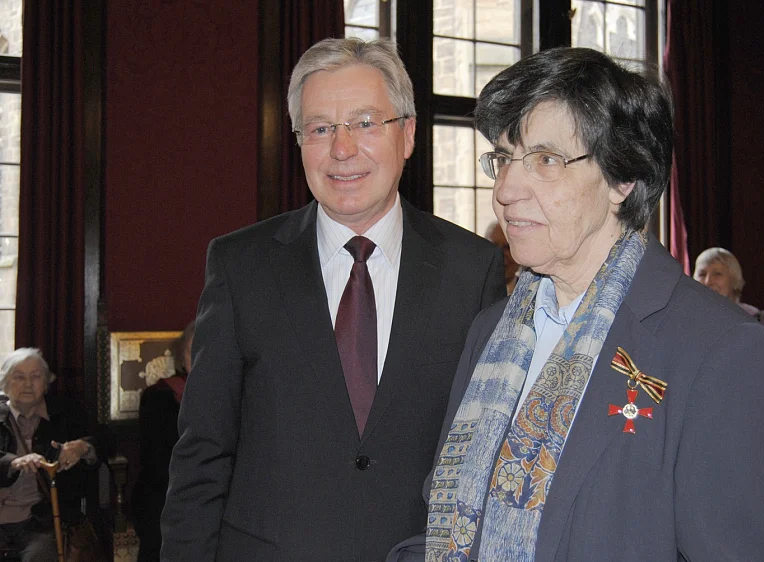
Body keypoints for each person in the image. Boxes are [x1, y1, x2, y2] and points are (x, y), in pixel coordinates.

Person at [388, 47, 764, 561]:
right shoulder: (492, 331)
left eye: (545, 160)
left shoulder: (718, 347)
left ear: (621, 179)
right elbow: (445, 520)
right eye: (503, 158)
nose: (506, 189)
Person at [159, 38, 505, 561]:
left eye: (365, 123)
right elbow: (201, 457)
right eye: (320, 129)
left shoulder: (471, 268)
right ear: (299, 142)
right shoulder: (241, 266)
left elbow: (485, 454)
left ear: (407, 134)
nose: (342, 149)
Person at [0, 348, 102, 562]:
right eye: (19, 377)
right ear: (4, 384)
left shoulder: (66, 413)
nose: (28, 384)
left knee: (41, 556)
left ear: (46, 383)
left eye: (36, 377)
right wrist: (14, 462)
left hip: (43, 522)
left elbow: (104, 438)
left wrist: (83, 446)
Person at [132, 321, 195, 562]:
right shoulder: (159, 396)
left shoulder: (235, 392)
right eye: (193, 350)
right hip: (167, 488)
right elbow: (155, 459)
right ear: (182, 356)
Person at [693, 246, 764, 329]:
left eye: (717, 274)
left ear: (734, 280)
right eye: (702, 274)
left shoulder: (757, 320)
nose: (708, 281)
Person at [484, 221, 520, 295]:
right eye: (494, 246)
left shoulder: (531, 292)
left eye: (507, 247)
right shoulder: (472, 290)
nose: (501, 254)